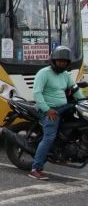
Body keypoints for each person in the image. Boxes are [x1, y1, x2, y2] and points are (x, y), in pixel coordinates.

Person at [29, 46, 84, 180]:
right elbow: (37, 93)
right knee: (49, 137)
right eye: (59, 61)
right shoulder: (44, 73)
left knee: (79, 124)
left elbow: (75, 90)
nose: (62, 64)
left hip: (64, 107)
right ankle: (35, 168)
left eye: (65, 62)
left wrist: (83, 102)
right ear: (53, 61)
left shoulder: (65, 75)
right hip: (49, 110)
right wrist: (48, 110)